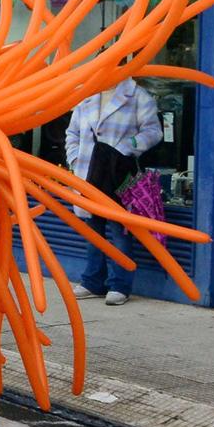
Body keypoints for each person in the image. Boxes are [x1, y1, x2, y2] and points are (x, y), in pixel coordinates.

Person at [66, 76, 163, 306]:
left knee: (120, 229)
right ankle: (93, 281)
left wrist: (125, 149)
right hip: (88, 173)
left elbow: (153, 131)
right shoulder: (87, 94)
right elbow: (72, 133)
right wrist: (74, 157)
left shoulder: (137, 96)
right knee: (92, 230)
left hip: (118, 173)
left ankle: (120, 284)